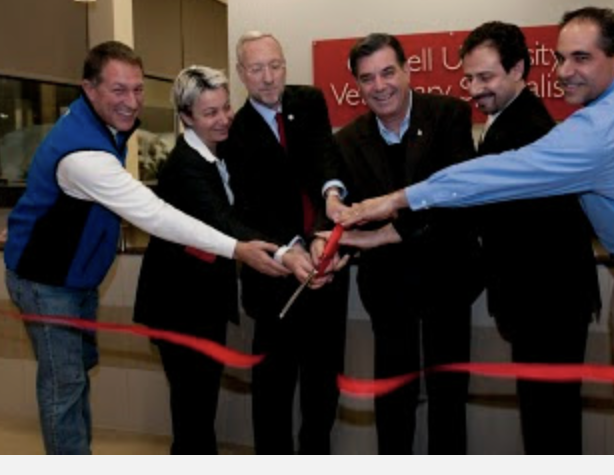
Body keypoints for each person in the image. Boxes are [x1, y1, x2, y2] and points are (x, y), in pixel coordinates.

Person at [339, 8, 614, 455]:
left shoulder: (567, 129)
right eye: (561, 58)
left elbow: (486, 180)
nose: (565, 72)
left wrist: (396, 201)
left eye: (581, 58)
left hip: (591, 294)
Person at [4, 42, 289, 455]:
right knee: (64, 386)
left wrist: (22, 230)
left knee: (77, 376)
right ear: (89, 88)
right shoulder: (85, 151)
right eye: (119, 90)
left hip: (74, 276)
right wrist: (240, 249)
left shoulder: (104, 127)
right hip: (47, 280)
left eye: (138, 89)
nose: (132, 101)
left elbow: (47, 190)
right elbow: (154, 215)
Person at [133, 66, 318, 454]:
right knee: (192, 413)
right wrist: (284, 252)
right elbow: (224, 221)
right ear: (186, 117)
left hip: (203, 304)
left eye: (226, 108)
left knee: (199, 407)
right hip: (178, 307)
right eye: (210, 113)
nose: (223, 119)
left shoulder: (216, 155)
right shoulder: (185, 167)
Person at [334, 33, 483, 454]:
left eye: (387, 72)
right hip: (388, 290)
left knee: (448, 398)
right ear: (356, 86)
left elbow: (456, 201)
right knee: (392, 399)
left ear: (407, 70)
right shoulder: (347, 139)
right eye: (367, 78)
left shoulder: (450, 115)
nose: (379, 86)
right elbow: (348, 211)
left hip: (448, 281)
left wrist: (383, 230)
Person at [461, 22, 600, 454]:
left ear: (519, 68)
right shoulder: (508, 121)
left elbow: (501, 222)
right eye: (469, 78)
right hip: (544, 304)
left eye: (486, 77)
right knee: (547, 420)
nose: (474, 89)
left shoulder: (526, 131)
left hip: (546, 304)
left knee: (549, 425)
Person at [225, 31, 349, 454]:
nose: (268, 77)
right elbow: (248, 209)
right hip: (274, 278)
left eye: (275, 65)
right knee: (273, 393)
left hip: (324, 273)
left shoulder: (308, 102)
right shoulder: (234, 131)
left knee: (322, 389)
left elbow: (324, 159)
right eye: (256, 69)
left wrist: (327, 211)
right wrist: (295, 244)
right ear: (241, 73)